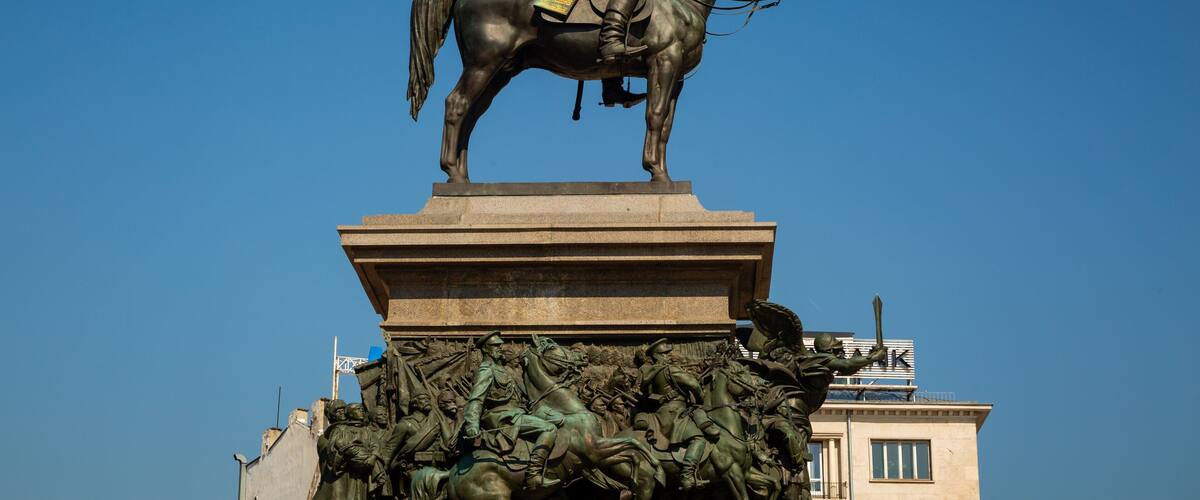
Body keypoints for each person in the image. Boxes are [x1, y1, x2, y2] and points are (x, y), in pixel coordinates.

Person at [462, 331, 563, 490]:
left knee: (560, 418)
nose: (500, 347)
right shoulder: (486, 370)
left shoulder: (504, 369)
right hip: (503, 417)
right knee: (549, 428)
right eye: (495, 345)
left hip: (519, 412)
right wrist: (472, 425)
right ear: (486, 349)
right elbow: (476, 399)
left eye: (500, 345)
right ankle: (533, 475)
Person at [635, 339, 720, 490]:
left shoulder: (650, 373)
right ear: (658, 355)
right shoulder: (669, 369)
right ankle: (687, 475)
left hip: (661, 411)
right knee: (698, 438)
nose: (669, 355)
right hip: (675, 412)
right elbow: (693, 384)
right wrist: (701, 399)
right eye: (666, 353)